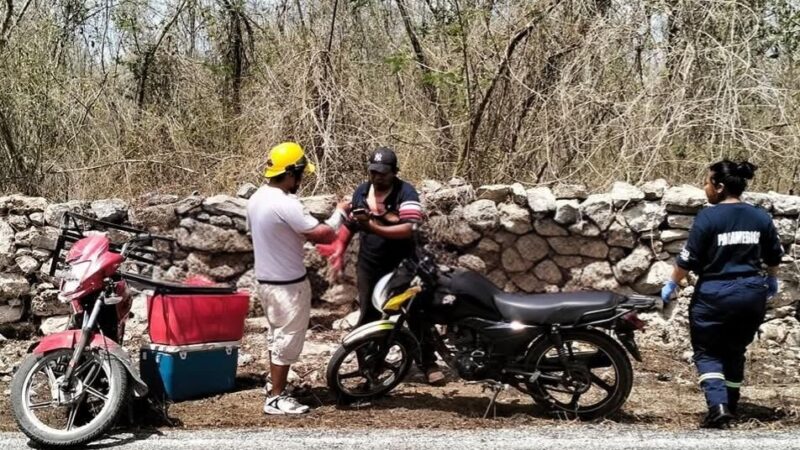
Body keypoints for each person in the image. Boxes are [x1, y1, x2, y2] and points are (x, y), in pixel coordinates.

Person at [660, 159, 783, 428]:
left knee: (707, 352)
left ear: (719, 186)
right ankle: (732, 406)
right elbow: (774, 255)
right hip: (751, 295)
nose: (705, 188)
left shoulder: (708, 217)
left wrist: (671, 284)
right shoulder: (760, 217)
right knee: (735, 350)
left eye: (707, 182)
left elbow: (687, 259)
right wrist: (771, 279)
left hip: (714, 295)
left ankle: (718, 408)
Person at [316, 147, 445, 384]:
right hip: (370, 264)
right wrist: (339, 250)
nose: (378, 177)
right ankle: (370, 365)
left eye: (383, 173)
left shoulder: (406, 192)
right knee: (369, 314)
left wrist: (374, 225)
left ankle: (428, 363)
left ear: (394, 172)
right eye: (374, 172)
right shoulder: (362, 192)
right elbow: (351, 224)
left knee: (415, 312)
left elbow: (408, 228)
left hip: (405, 264)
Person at [247, 141, 350, 415]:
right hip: (287, 286)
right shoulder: (285, 203)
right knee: (287, 340)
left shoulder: (257, 198)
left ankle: (274, 385)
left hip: (267, 283)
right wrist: (340, 212)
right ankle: (276, 398)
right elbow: (324, 234)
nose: (301, 180)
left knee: (276, 337)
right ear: (290, 173)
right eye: (301, 174)